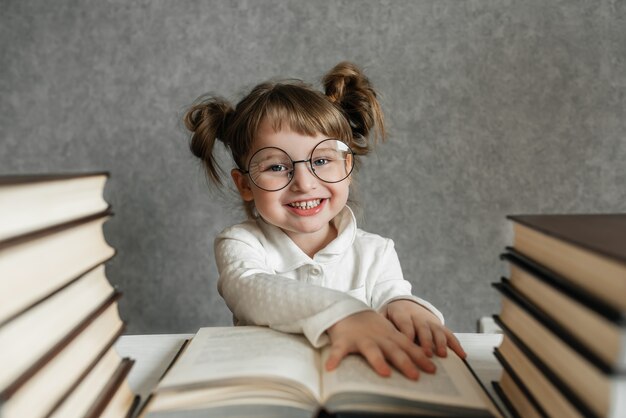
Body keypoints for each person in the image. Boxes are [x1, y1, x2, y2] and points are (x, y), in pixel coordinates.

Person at [183, 61, 466, 380]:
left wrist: (408, 307)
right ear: (245, 184)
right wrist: (344, 314)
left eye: (321, 160)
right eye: (276, 167)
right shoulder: (241, 244)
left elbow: (392, 294)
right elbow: (248, 288)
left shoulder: (376, 252)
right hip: (271, 382)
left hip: (358, 383)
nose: (304, 182)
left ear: (347, 166)